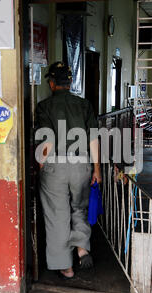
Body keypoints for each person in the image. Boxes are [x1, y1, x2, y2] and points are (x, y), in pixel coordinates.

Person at [35, 61, 102, 279]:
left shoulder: (44, 106)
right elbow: (93, 137)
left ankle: (66, 266)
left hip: (56, 165)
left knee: (57, 214)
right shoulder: (84, 105)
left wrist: (41, 161)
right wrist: (96, 169)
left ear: (52, 83)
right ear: (70, 82)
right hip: (81, 163)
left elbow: (48, 139)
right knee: (79, 207)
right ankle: (82, 247)